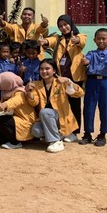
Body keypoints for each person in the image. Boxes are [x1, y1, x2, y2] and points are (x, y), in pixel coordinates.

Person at [38, 14, 87, 142]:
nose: (63, 28)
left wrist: (75, 40)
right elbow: (50, 41)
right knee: (62, 104)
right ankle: (63, 129)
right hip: (60, 78)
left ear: (71, 24)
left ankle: (74, 132)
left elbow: (81, 40)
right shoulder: (58, 39)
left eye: (65, 25)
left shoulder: (79, 36)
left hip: (74, 77)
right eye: (60, 26)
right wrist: (44, 42)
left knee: (75, 104)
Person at [26, 59, 84, 153]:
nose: (44, 71)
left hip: (60, 118)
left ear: (54, 71)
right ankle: (59, 135)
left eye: (47, 69)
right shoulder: (36, 85)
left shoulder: (61, 82)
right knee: (36, 131)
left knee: (45, 111)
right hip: (46, 119)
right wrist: (28, 92)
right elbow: (34, 102)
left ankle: (56, 141)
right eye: (42, 69)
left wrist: (68, 81)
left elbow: (79, 93)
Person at [79, 28, 107, 146]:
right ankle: (87, 134)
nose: (101, 41)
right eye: (98, 39)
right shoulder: (91, 53)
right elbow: (87, 60)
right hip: (92, 82)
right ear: (94, 40)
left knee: (105, 108)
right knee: (88, 108)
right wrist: (85, 61)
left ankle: (102, 135)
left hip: (105, 83)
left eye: (104, 38)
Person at [0, 72, 39, 149]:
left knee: (0, 120)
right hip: (17, 118)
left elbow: (15, 101)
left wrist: (4, 105)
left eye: (0, 81)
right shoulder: (6, 92)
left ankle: (15, 142)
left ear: (7, 82)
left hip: (26, 122)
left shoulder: (20, 92)